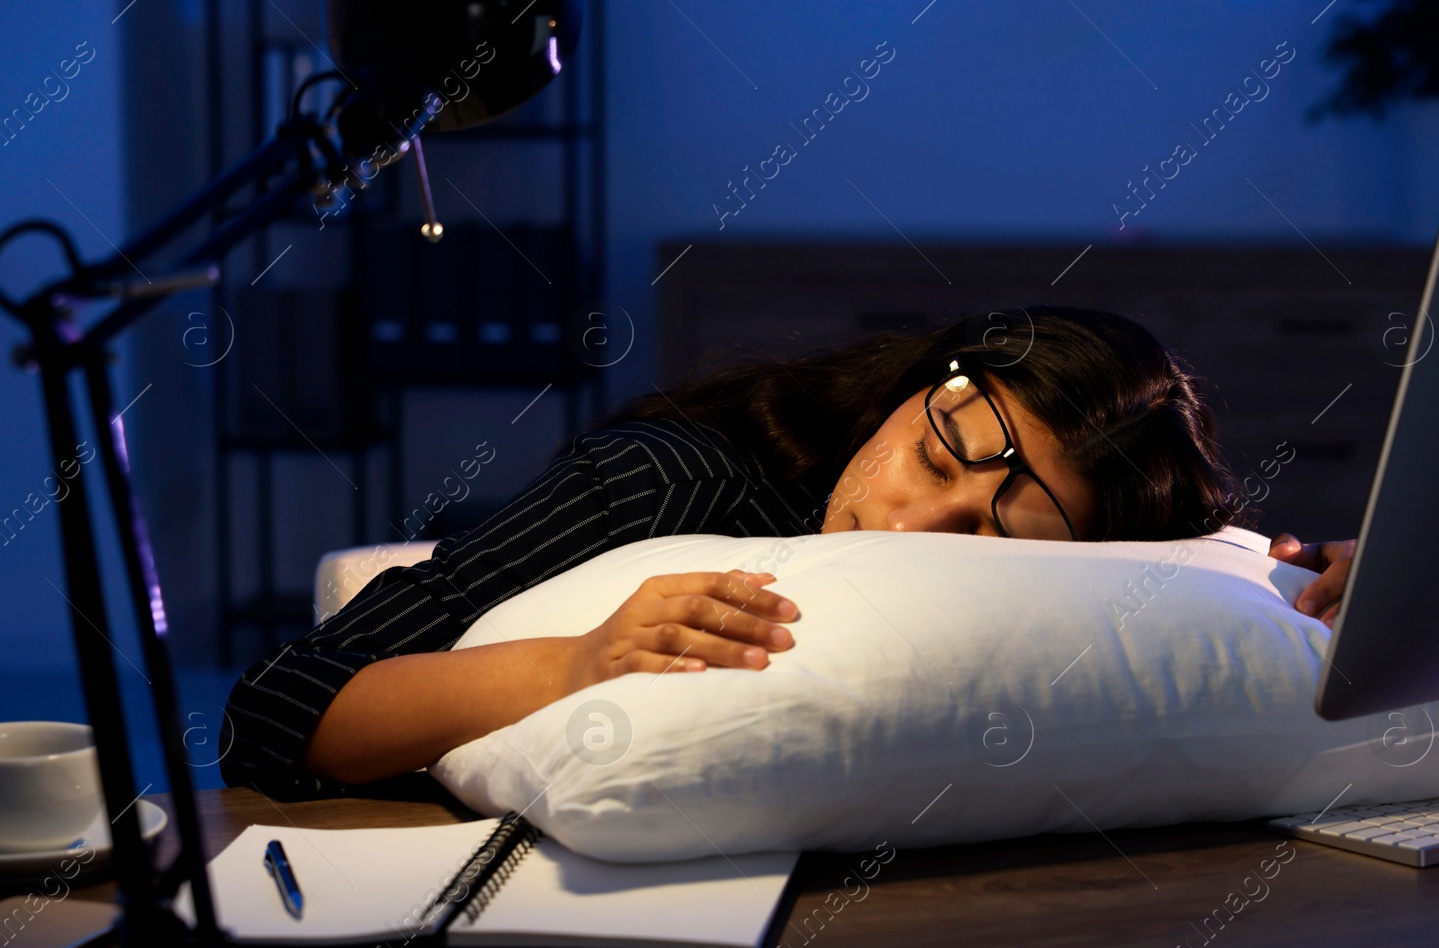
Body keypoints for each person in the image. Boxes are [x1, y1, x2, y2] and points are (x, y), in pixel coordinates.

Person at [220, 307, 1355, 798]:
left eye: (993, 534)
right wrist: (576, 663)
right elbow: (272, 710)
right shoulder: (673, 483)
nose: (915, 525)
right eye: (942, 453)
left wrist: (1319, 572)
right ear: (936, 377)